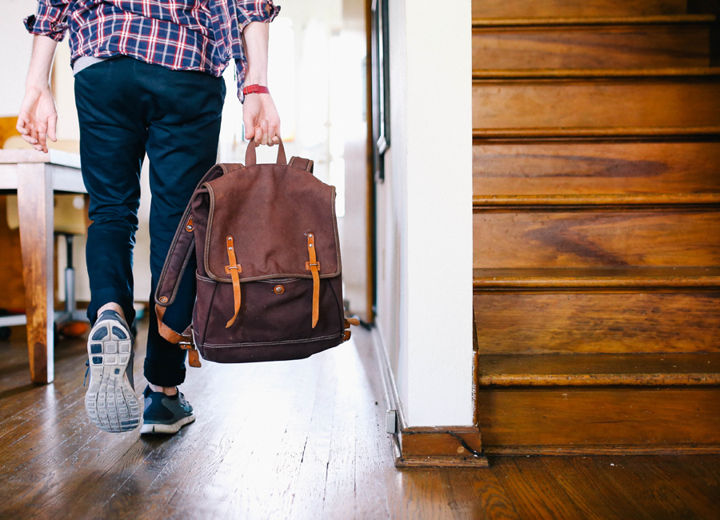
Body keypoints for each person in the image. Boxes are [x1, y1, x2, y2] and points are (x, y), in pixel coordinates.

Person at [17, 0, 281, 435]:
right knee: (179, 229)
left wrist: (37, 83)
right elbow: (247, 4)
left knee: (110, 211)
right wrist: (256, 85)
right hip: (187, 63)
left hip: (103, 62)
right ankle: (162, 391)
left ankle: (109, 308)